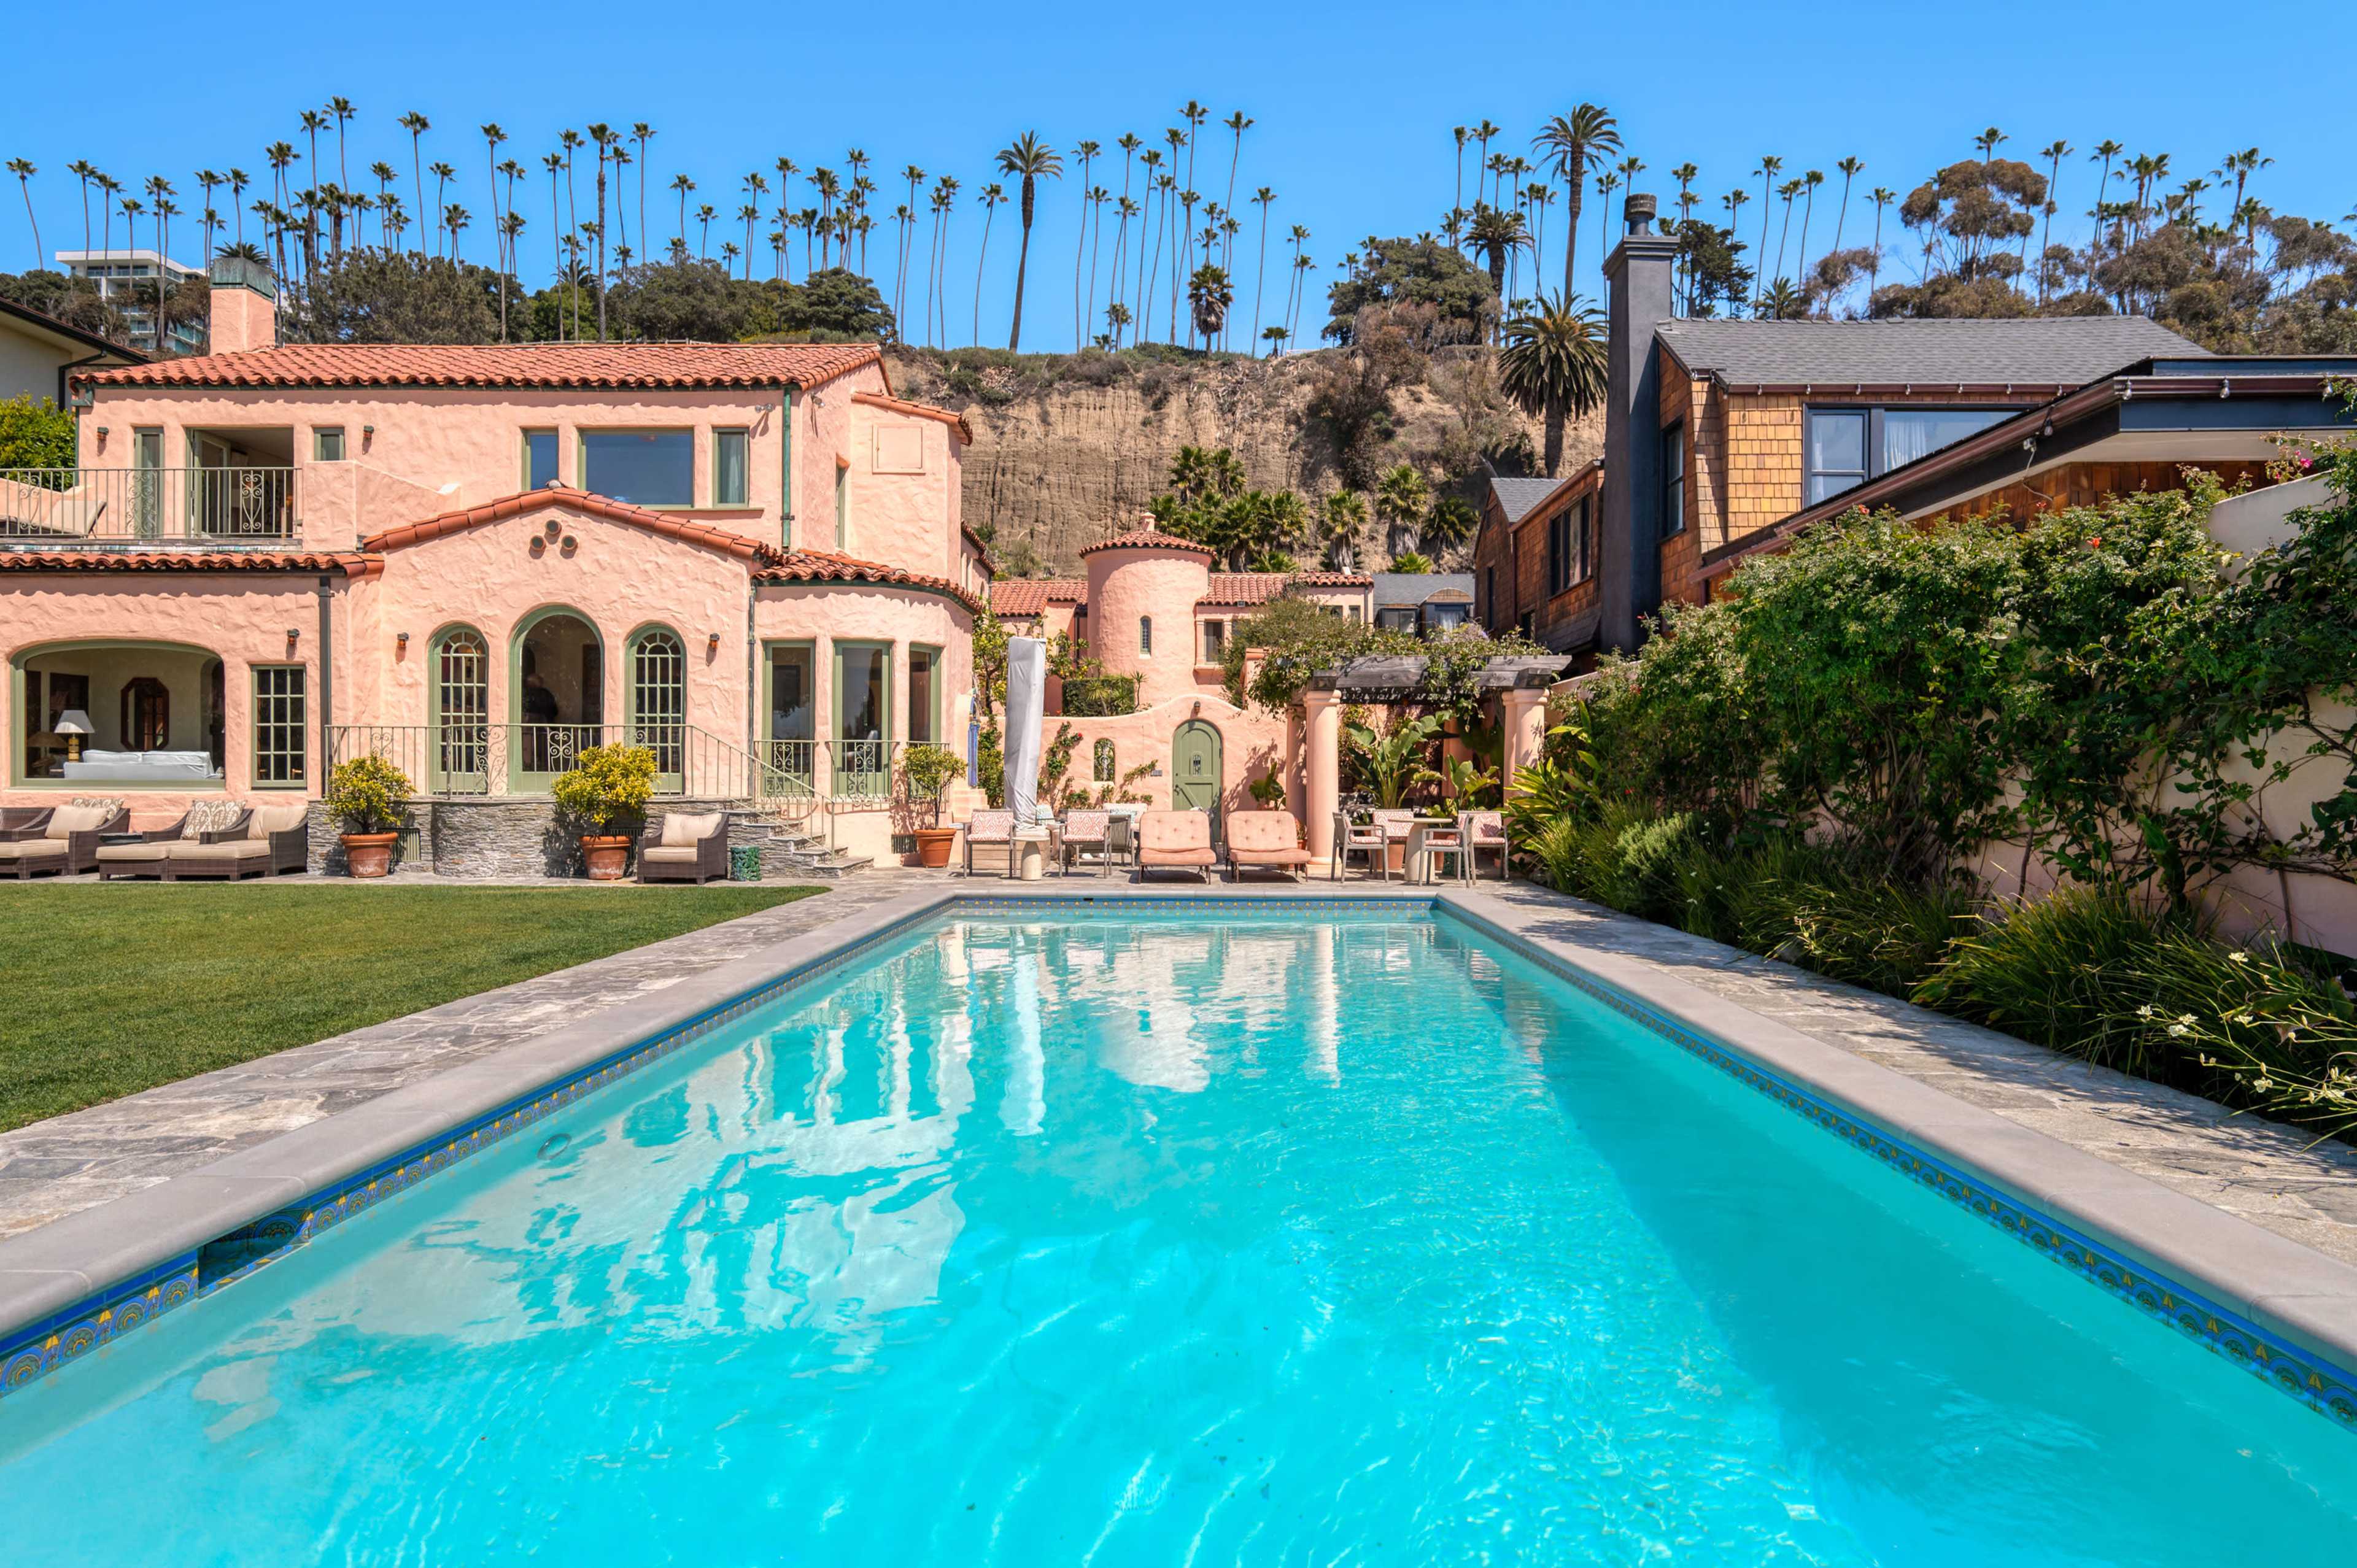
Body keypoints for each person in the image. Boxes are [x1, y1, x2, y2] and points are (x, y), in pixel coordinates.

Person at [521, 673, 559, 768]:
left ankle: (530, 766)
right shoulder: (546, 694)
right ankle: (546, 768)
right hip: (547, 728)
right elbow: (555, 711)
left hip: (532, 728)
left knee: (530, 750)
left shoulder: (527, 694)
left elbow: (525, 710)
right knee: (545, 751)